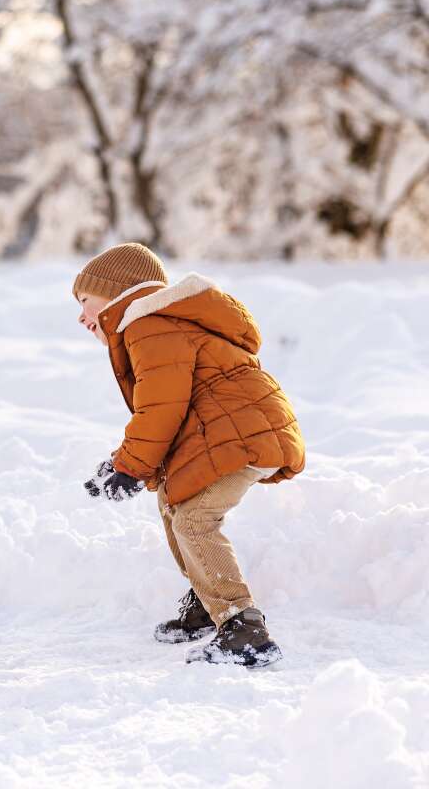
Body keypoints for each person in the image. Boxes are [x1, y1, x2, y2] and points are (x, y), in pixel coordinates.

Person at [74, 243, 306, 668]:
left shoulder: (149, 326)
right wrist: (122, 463)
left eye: (86, 301)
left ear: (116, 293)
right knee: (174, 501)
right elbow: (170, 411)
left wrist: (129, 467)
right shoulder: (157, 325)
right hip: (237, 431)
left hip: (244, 434)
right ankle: (207, 601)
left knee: (194, 519)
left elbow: (161, 408)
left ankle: (243, 628)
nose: (81, 316)